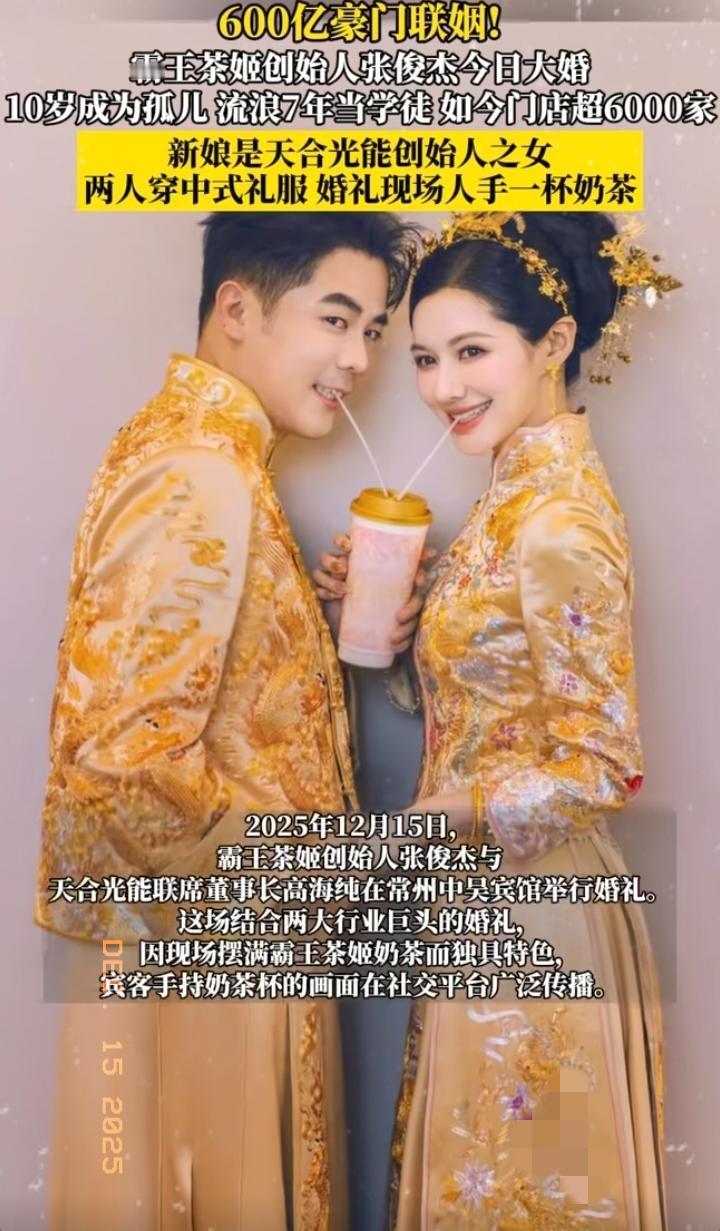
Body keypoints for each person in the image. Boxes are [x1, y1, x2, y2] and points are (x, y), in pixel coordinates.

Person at [34, 211, 425, 1231]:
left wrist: (314, 629)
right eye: (335, 319)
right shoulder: (199, 471)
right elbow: (123, 765)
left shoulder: (206, 452)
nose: (359, 358)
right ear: (238, 308)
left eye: (372, 330)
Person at [314, 211, 675, 1229]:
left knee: (527, 1196)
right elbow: (492, 704)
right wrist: (386, 627)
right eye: (426, 358)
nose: (442, 387)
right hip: (492, 901)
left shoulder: (558, 519)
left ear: (553, 342)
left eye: (471, 352)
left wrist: (451, 814)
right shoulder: (509, 496)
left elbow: (606, 763)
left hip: (538, 906)